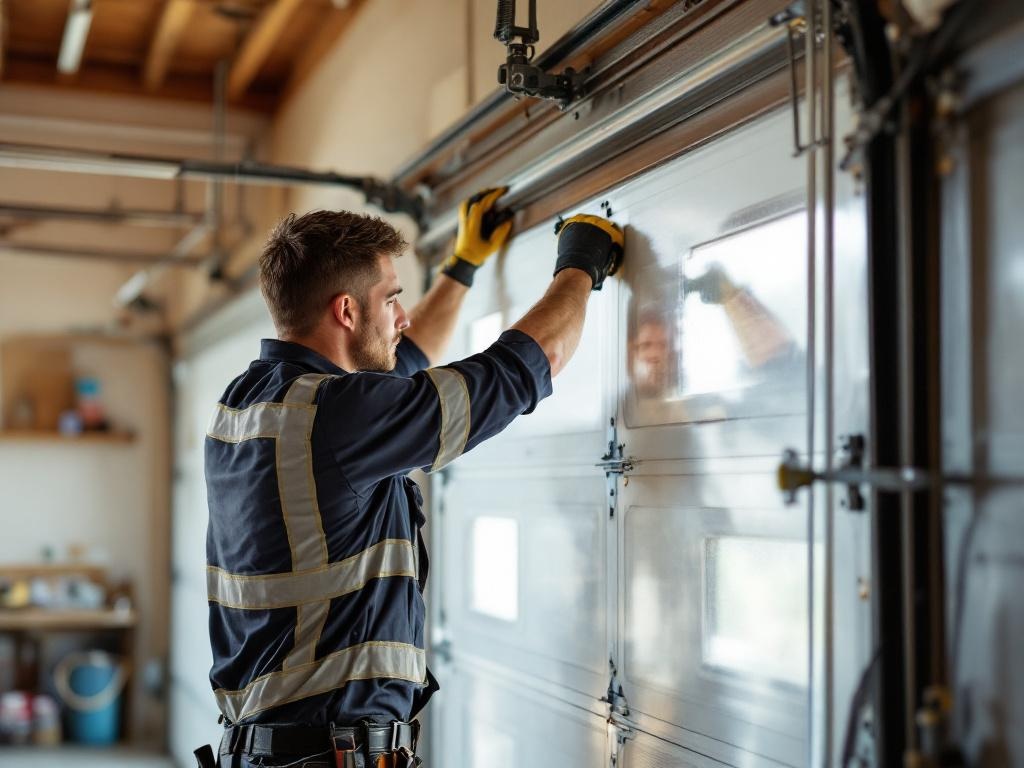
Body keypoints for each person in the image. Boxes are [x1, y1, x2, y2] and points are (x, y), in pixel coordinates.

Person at [198, 188, 624, 768]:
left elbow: (404, 359)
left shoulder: (247, 401)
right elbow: (527, 365)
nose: (401, 316)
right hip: (323, 755)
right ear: (346, 311)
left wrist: (462, 268)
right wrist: (581, 263)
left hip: (266, 750)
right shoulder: (340, 416)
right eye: (392, 299)